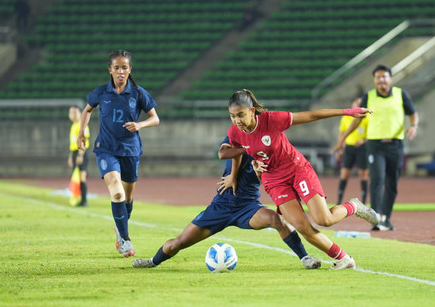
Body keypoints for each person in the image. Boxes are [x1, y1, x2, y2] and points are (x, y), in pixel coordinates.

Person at [225, 89, 381, 271]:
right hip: (274, 181)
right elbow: (236, 151)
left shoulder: (272, 120)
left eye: (241, 115)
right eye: (232, 116)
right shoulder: (235, 132)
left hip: (296, 169)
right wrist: (235, 174)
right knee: (301, 226)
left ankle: (354, 206)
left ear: (252, 111)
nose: (237, 121)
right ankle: (344, 258)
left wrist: (346, 111)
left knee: (324, 219)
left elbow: (311, 115)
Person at [133, 137, 322, 270]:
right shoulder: (235, 135)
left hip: (248, 207)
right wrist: (232, 175)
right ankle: (152, 261)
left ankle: (305, 257)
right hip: (221, 206)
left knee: (276, 219)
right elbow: (225, 153)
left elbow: (270, 178)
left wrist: (258, 170)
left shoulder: (268, 148)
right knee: (177, 244)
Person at [77, 50, 160, 257]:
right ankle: (125, 241)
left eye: (124, 68)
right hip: (106, 148)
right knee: (117, 192)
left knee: (128, 198)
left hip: (130, 150)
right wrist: (81, 133)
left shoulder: (139, 93)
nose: (120, 72)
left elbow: (155, 118)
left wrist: (140, 124)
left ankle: (120, 227)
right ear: (110, 70)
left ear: (129, 69)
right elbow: (87, 110)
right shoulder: (101, 93)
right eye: (117, 68)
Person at [334, 64, 418, 232]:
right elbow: (357, 119)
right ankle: (376, 218)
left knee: (392, 182)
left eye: (384, 77)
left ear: (390, 79)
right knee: (377, 179)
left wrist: (413, 125)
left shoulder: (401, 95)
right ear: (374, 80)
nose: (381, 80)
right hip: (375, 145)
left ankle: (386, 218)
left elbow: (413, 113)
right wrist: (343, 138)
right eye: (378, 77)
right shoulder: (369, 96)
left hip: (395, 144)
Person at [331, 97, 369, 205]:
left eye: (360, 104)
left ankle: (364, 201)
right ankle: (339, 200)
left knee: (363, 174)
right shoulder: (346, 118)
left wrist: (363, 140)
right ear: (352, 105)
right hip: (349, 148)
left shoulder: (366, 118)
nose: (357, 105)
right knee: (344, 174)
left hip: (362, 148)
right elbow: (341, 134)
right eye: (356, 103)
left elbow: (371, 134)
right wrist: (340, 149)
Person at [68, 105, 90, 206]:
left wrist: (80, 155)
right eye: (71, 112)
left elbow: (83, 141)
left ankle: (84, 201)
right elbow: (72, 143)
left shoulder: (82, 124)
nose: (73, 114)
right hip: (74, 153)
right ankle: (79, 198)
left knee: (82, 177)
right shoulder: (74, 125)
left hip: (81, 153)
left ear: (80, 113)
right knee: (76, 176)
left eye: (75, 112)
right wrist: (70, 156)